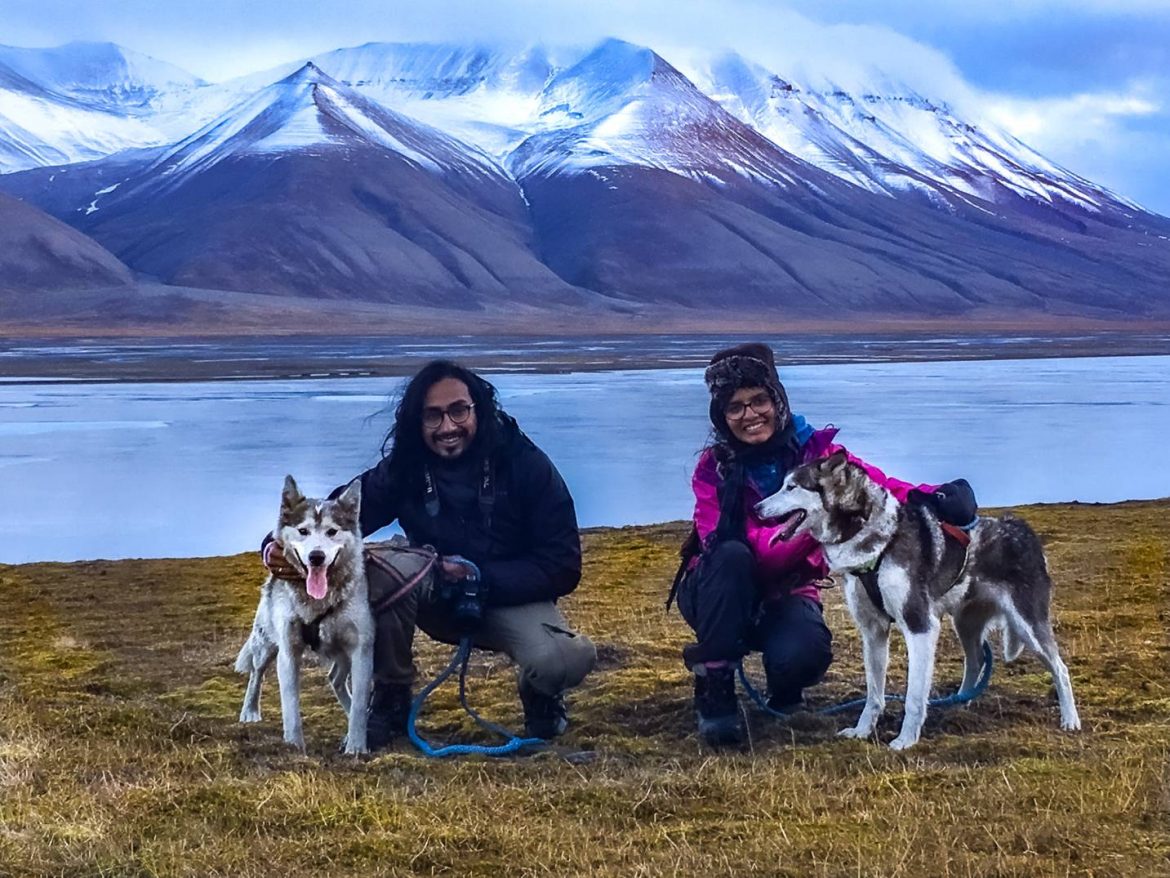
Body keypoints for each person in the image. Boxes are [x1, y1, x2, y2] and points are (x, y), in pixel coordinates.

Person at [263, 360, 596, 749]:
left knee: (562, 659)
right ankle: (390, 697)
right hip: (428, 593)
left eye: (459, 410)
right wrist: (274, 546)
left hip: (509, 598)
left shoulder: (526, 464)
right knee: (382, 568)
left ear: (479, 409)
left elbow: (563, 564)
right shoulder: (406, 466)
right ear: (416, 422)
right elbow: (337, 517)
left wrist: (481, 578)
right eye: (433, 416)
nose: (448, 427)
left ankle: (540, 692)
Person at [672, 342, 975, 746]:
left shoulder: (820, 455)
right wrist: (818, 528)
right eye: (735, 407)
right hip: (718, 593)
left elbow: (876, 488)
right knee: (730, 556)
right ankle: (717, 692)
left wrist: (933, 497)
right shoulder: (712, 469)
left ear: (777, 399)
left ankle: (786, 689)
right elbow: (726, 542)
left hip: (789, 590)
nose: (750, 415)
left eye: (759, 400)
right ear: (721, 416)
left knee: (804, 652)